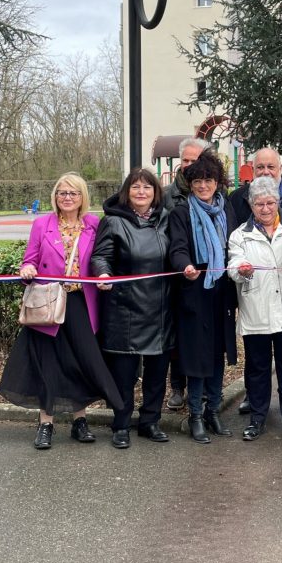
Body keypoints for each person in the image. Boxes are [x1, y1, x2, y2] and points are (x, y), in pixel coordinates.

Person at [0, 173, 123, 449]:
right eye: (62, 193)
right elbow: (29, 260)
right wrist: (27, 269)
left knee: (80, 362)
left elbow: (102, 258)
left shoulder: (93, 224)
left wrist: (104, 276)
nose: (67, 198)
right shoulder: (42, 224)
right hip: (49, 303)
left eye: (73, 193)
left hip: (80, 303)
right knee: (49, 363)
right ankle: (46, 424)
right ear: (55, 196)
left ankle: (80, 421)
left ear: (82, 198)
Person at [90, 168, 175, 449]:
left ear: (156, 192)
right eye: (135, 187)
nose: (141, 192)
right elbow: (101, 256)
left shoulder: (166, 220)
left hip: (160, 309)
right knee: (123, 374)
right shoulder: (113, 222)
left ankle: (150, 421)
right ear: (126, 192)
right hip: (124, 309)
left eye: (147, 187)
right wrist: (103, 274)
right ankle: (121, 424)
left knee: (156, 372)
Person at [228, 176, 282, 443]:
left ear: (278, 202)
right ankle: (257, 419)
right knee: (257, 368)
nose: (265, 209)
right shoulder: (240, 235)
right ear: (251, 206)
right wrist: (241, 270)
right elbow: (233, 265)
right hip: (257, 312)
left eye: (270, 203)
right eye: (259, 205)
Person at [167, 152, 239, 444]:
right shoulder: (182, 212)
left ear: (217, 182)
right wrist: (185, 265)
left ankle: (213, 410)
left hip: (222, 292)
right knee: (196, 356)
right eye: (197, 180)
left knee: (217, 352)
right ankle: (195, 414)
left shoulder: (226, 211)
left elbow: (235, 245)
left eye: (208, 179)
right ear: (190, 183)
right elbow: (177, 247)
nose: (202, 185)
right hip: (195, 290)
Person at [227, 146, 282, 415]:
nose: (265, 172)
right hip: (251, 287)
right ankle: (254, 399)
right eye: (259, 167)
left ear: (280, 169)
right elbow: (233, 239)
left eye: (270, 167)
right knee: (256, 351)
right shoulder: (237, 197)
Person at [162, 136, 211, 412]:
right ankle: (177, 386)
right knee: (178, 335)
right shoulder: (169, 194)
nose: (190, 165)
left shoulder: (209, 190)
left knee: (201, 334)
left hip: (205, 275)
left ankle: (201, 388)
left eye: (196, 160)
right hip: (176, 271)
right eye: (187, 161)